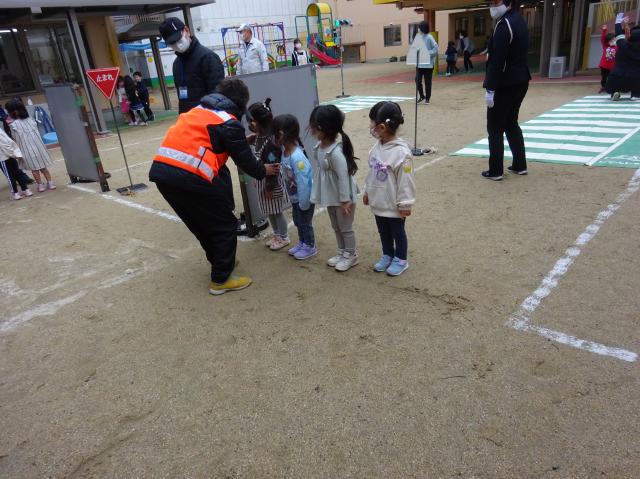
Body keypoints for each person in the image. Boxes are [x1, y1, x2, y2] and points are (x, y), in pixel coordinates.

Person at [149, 78, 280, 295]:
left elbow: (213, 140)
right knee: (225, 224)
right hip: (191, 178)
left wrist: (241, 141)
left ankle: (221, 261)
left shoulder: (199, 110)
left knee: (200, 224)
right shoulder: (229, 122)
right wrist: (263, 170)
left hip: (163, 174)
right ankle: (221, 279)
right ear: (240, 103)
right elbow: (247, 163)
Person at [363, 101, 415, 277]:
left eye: (372, 122)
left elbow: (406, 180)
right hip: (379, 201)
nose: (370, 126)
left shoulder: (401, 153)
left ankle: (401, 259)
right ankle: (388, 254)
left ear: (382, 127)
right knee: (383, 231)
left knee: (397, 232)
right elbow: (371, 172)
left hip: (394, 204)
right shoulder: (375, 149)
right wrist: (367, 191)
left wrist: (405, 204)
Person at [482, 0, 531, 180]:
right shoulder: (519, 20)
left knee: (495, 127)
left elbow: (497, 61)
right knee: (511, 122)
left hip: (505, 83)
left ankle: (495, 170)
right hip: (521, 79)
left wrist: (490, 88)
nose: (492, 6)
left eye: (495, 2)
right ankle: (519, 164)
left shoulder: (504, 25)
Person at [308, 105, 359, 272]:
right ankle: (342, 251)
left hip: (343, 198)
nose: (311, 129)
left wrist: (345, 200)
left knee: (345, 228)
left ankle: (351, 255)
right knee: (336, 226)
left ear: (322, 128)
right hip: (331, 195)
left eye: (313, 126)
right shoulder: (320, 147)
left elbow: (343, 177)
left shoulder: (335, 153)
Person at [247, 98, 290, 251]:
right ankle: (277, 234)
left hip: (272, 182)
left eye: (251, 121)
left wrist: (270, 187)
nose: (249, 124)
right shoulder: (260, 136)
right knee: (269, 211)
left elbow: (274, 167)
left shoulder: (271, 142)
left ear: (257, 123)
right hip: (263, 180)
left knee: (276, 211)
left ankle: (284, 237)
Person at [159, 17, 225, 113]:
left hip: (207, 116)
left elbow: (218, 94)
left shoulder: (208, 57)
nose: (177, 44)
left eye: (178, 39)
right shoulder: (177, 64)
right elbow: (182, 99)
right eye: (172, 43)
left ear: (187, 30)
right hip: (188, 117)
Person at [274, 114, 316, 260]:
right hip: (295, 197)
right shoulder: (285, 153)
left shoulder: (297, 157)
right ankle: (302, 242)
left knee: (305, 223)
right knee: (298, 221)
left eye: (274, 134)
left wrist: (304, 202)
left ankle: (310, 246)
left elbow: (304, 182)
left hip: (304, 198)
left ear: (280, 134)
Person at [5, 99, 56, 192]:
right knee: (39, 169)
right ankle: (45, 183)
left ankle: (45, 184)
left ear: (13, 112)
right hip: (34, 149)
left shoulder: (18, 123)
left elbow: (15, 138)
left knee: (39, 169)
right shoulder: (26, 121)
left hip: (32, 149)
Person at [606, 14, 640, 101]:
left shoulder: (623, 44)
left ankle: (615, 92)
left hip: (617, 77)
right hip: (635, 79)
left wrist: (618, 22)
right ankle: (635, 94)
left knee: (614, 81)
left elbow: (619, 34)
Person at [0, 127, 32, 200]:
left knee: (10, 176)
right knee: (17, 173)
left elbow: (4, 144)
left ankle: (16, 193)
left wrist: (12, 154)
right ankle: (25, 189)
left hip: (4, 157)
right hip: (9, 155)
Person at [411, 21, 438, 105]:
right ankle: (422, 96)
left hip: (428, 65)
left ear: (423, 28)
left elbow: (436, 49)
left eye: (419, 28)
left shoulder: (429, 37)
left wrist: (427, 53)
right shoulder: (418, 37)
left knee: (427, 82)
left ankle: (427, 98)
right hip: (419, 64)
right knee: (417, 80)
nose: (418, 29)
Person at [598, 26, 617, 94]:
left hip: (613, 66)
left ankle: (611, 88)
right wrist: (604, 30)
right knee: (604, 77)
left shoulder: (617, 47)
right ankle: (603, 87)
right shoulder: (605, 46)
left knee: (612, 77)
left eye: (613, 40)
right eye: (610, 40)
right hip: (604, 66)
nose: (612, 41)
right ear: (608, 41)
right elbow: (602, 39)